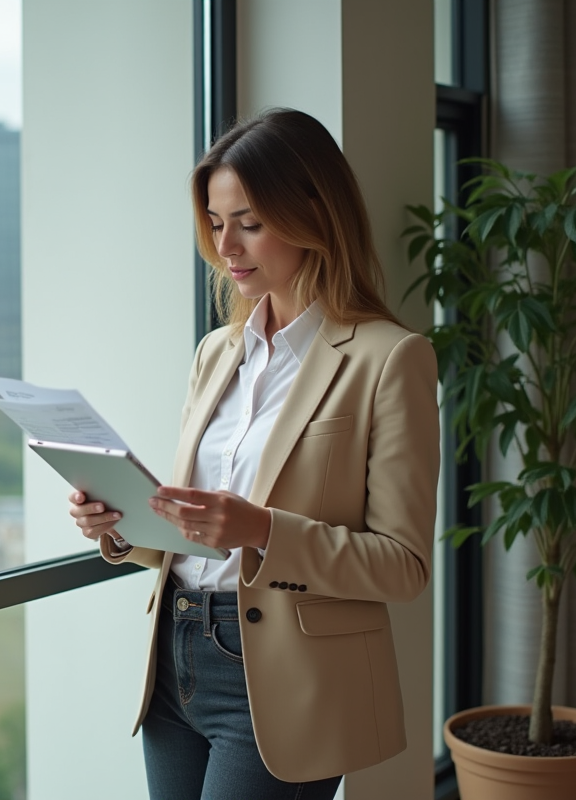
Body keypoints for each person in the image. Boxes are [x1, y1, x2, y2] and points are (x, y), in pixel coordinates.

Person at [69, 108, 440, 800]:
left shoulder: (391, 360)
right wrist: (119, 524)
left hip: (282, 683)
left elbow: (405, 566)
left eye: (250, 221)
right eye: (215, 223)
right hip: (175, 664)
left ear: (313, 214)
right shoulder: (218, 352)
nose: (226, 246)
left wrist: (263, 532)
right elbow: (195, 535)